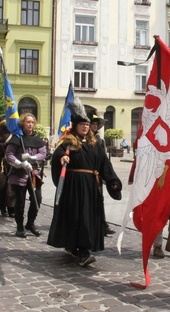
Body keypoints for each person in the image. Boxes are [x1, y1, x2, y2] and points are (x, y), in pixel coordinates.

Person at [47, 99, 122, 267]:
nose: (86, 127)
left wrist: (113, 181)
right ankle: (81, 251)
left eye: (87, 125)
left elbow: (104, 165)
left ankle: (81, 248)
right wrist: (61, 157)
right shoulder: (68, 143)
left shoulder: (94, 145)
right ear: (75, 126)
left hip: (90, 187)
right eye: (82, 124)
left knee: (88, 218)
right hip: (73, 188)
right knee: (75, 218)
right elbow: (57, 155)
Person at [5, 113, 47, 237]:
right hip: (19, 173)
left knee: (37, 199)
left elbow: (43, 153)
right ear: (23, 123)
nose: (30, 124)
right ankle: (19, 227)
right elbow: (9, 155)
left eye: (32, 122)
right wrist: (20, 163)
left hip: (33, 173)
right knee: (20, 202)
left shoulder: (37, 139)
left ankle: (30, 223)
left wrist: (32, 158)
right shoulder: (17, 138)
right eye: (27, 122)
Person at [89, 114, 116, 236]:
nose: (94, 126)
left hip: (97, 173)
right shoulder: (84, 138)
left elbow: (103, 158)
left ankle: (103, 224)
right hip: (87, 173)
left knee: (100, 199)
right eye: (92, 124)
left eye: (96, 125)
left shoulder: (100, 140)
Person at [0, 116, 15, 217]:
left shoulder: (16, 131)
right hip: (3, 162)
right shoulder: (0, 131)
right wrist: (5, 145)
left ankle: (12, 208)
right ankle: (2, 206)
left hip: (14, 161)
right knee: (2, 184)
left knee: (12, 186)